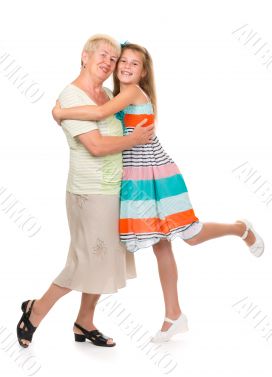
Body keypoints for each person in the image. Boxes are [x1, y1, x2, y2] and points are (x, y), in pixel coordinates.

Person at [52, 42, 265, 343]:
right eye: (121, 61)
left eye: (133, 63)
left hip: (156, 175)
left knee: (190, 235)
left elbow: (99, 112)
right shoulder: (117, 94)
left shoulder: (131, 93)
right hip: (136, 179)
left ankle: (240, 229)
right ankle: (173, 315)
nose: (125, 66)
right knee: (161, 245)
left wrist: (60, 111)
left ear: (143, 71)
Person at [16, 35, 155, 349]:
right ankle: (34, 312)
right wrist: (134, 140)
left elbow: (124, 120)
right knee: (83, 262)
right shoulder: (70, 94)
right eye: (103, 55)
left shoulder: (106, 94)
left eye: (113, 59)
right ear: (85, 56)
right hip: (88, 193)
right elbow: (95, 146)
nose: (108, 63)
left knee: (102, 261)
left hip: (113, 190)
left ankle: (84, 322)